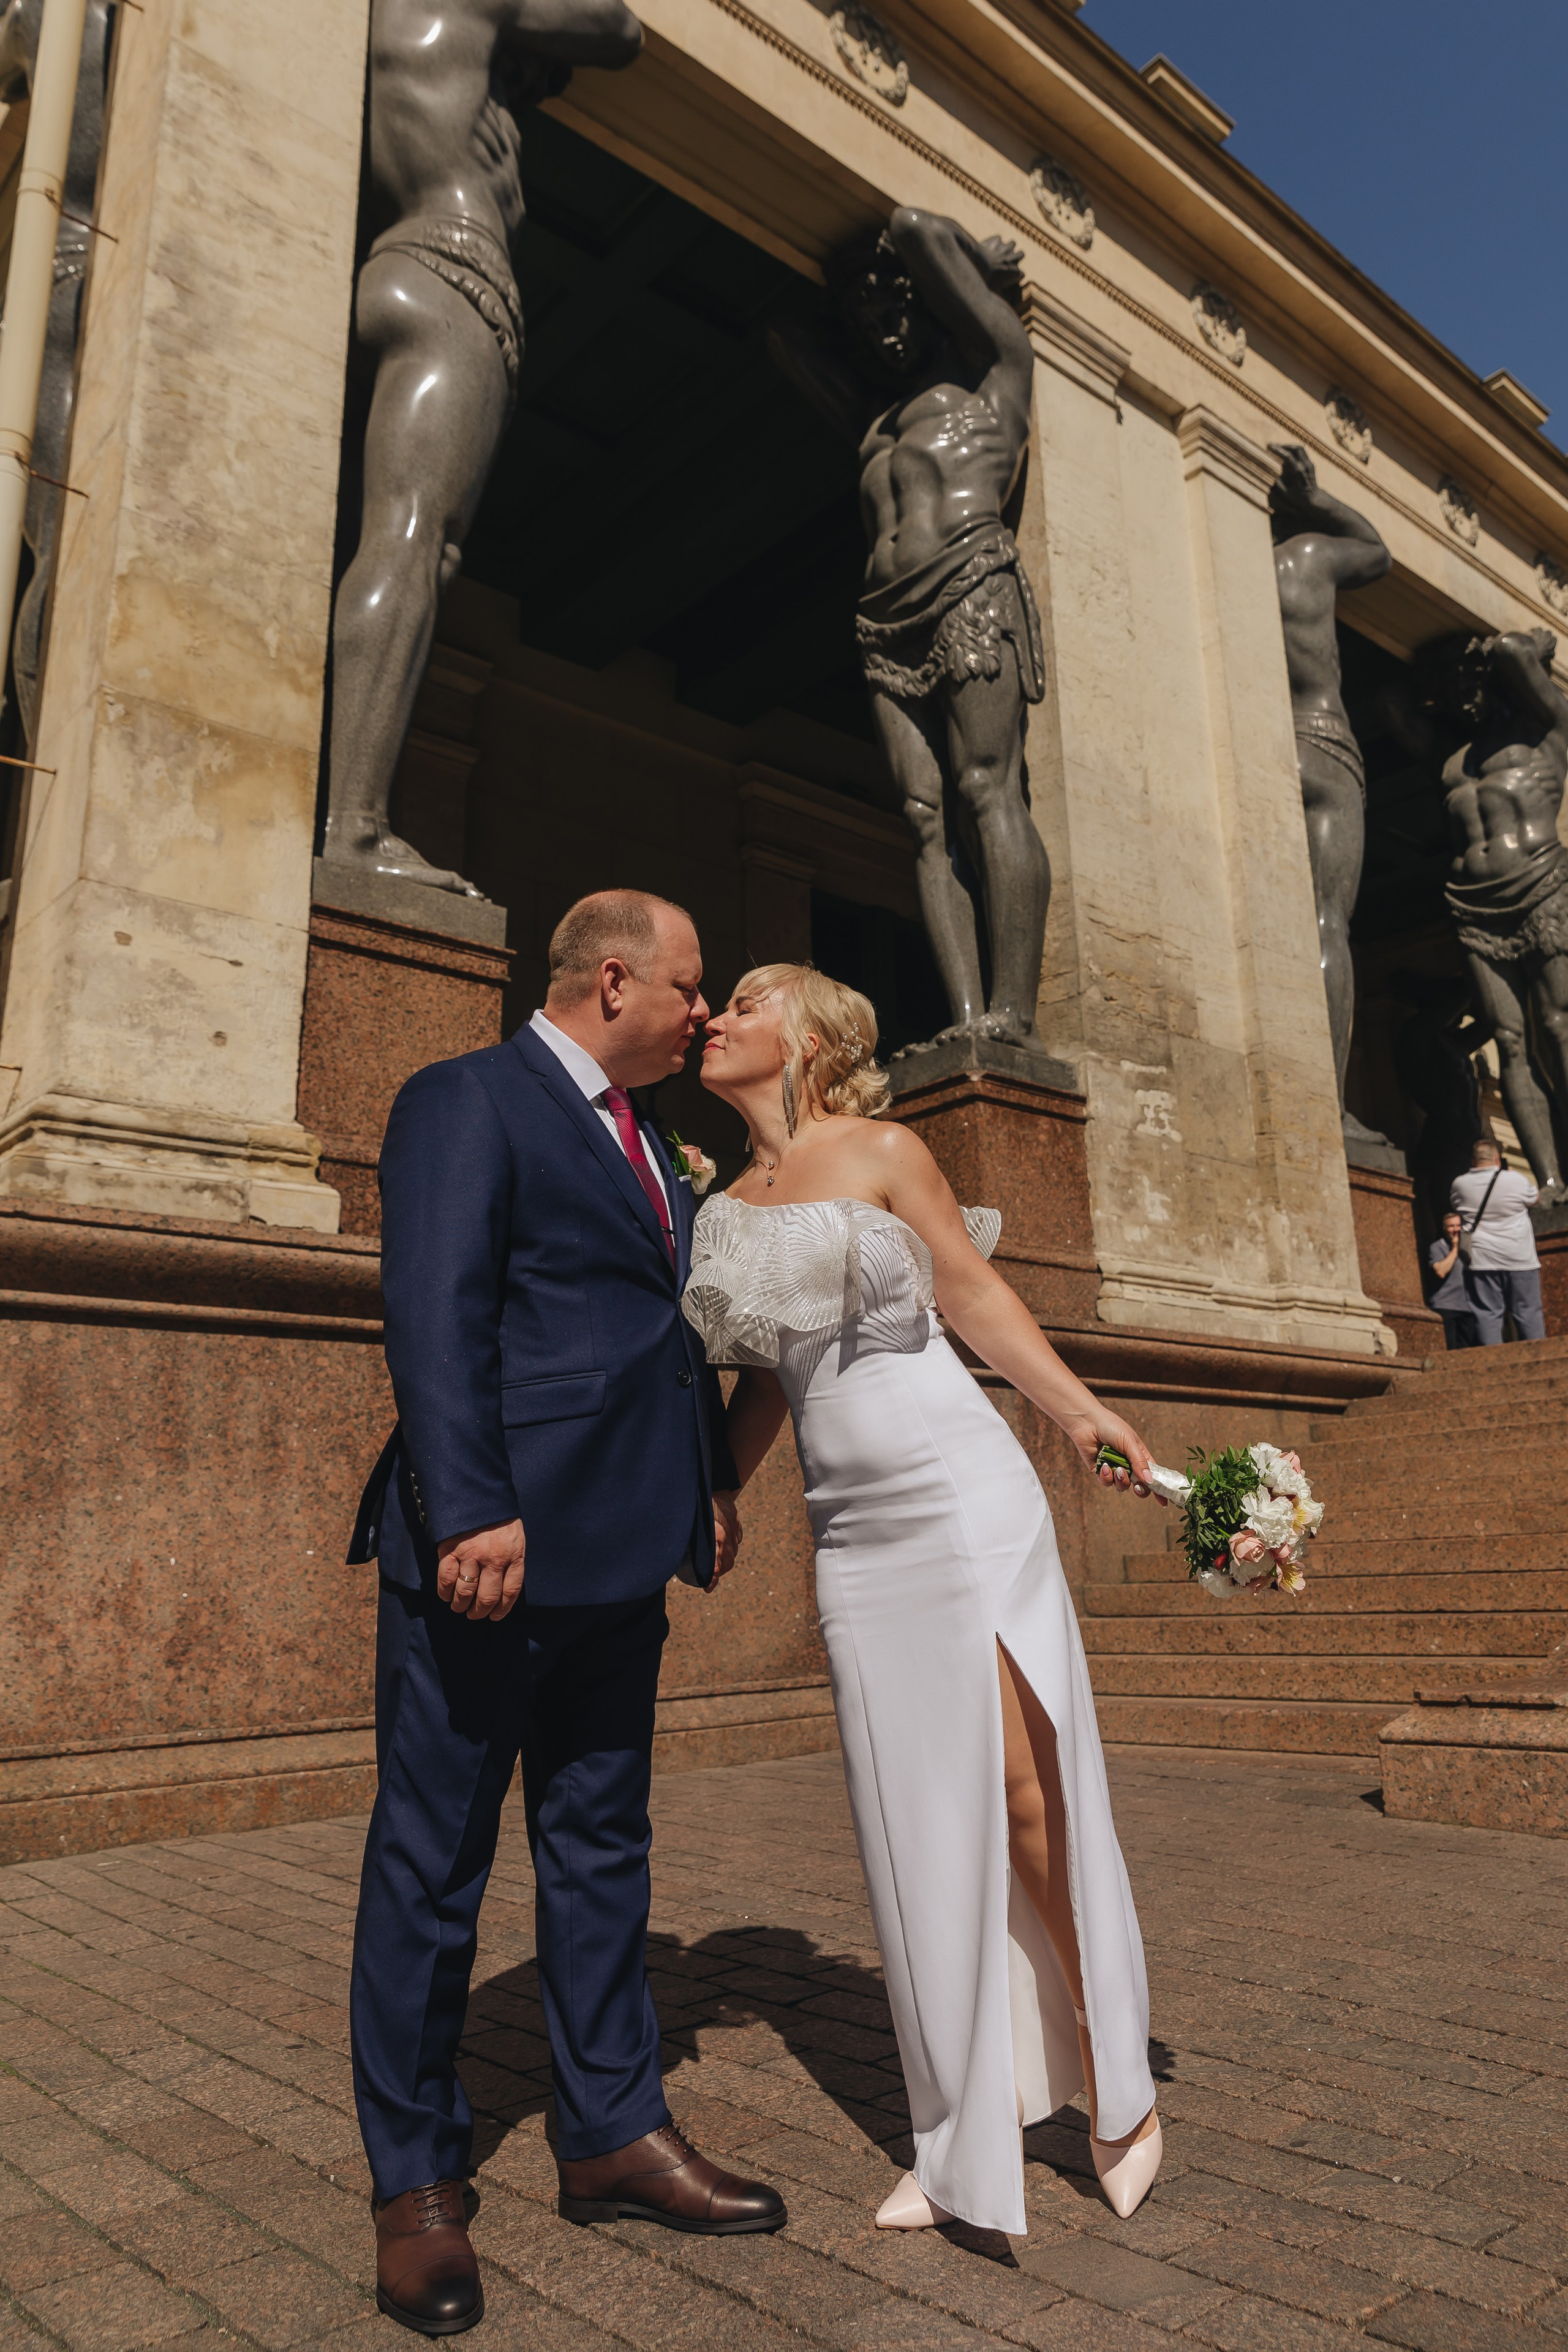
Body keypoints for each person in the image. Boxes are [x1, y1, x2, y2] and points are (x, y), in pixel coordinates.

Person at [348, 890, 784, 2337]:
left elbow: (650, 1335)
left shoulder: (652, 1142)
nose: (705, 1011)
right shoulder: (466, 1097)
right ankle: (415, 2178)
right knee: (434, 1862)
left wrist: (701, 1488)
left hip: (618, 1557)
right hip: (493, 1551)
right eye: (690, 984)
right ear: (613, 979)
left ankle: (609, 2129)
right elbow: (436, 1303)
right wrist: (469, 1501)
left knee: (601, 1847)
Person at [681, 963, 1163, 2237]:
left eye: (743, 997)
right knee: (907, 1824)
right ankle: (957, 2130)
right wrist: (719, 1495)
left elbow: (972, 1293)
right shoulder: (723, 1208)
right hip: (849, 1537)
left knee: (1019, 1793)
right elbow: (773, 1380)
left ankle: (1116, 2084)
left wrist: (1078, 1418)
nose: (715, 1017)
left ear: (811, 1033)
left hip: (958, 1494)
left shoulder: (885, 1147)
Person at [322, 0, 643, 899]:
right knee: (417, 539)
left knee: (393, 534)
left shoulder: (400, 33)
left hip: (392, 258)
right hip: (459, 269)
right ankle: (354, 828)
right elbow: (622, 31)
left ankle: (340, 811)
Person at [768, 209, 1051, 1054]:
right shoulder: (874, 418)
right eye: (862, 318)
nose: (879, 330)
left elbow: (915, 225)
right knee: (925, 817)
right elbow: (781, 331)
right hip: (885, 620)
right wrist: (854, 305)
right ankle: (968, 1018)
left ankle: (1017, 1014)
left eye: (891, 309)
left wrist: (970, 265)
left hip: (970, 579)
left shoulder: (999, 375)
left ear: (929, 301)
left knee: (986, 787)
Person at [1267, 443, 1390, 1139]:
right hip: (1321, 740)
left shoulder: (1232, 564)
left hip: (1251, 739)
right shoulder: (1305, 558)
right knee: (1326, 921)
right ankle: (1329, 1102)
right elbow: (1376, 553)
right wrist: (1316, 501)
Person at [1439, 630, 1568, 1197]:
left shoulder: (1547, 734)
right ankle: (1549, 1180)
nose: (1462, 697)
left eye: (1473, 685)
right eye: (1454, 689)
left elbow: (1517, 650)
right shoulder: (1451, 764)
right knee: (1510, 1040)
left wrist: (1520, 652)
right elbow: (1393, 707)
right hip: (1475, 907)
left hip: (1542, 885)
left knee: (1559, 1027)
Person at [1450, 1137, 1545, 1346]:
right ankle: (1539, 1357)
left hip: (1481, 1259)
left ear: (1473, 1161)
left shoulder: (1460, 1184)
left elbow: (1456, 1207)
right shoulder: (1516, 1180)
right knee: (1528, 1312)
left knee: (1487, 1315)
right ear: (1497, 1159)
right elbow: (1535, 1200)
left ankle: (1493, 1361)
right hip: (1520, 1258)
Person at [1426, 1212, 1478, 1350]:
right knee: (1451, 1351)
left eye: (1458, 1226)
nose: (1455, 1230)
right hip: (1446, 1306)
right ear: (1445, 1228)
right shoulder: (1437, 1247)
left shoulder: (1471, 1246)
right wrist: (1455, 1248)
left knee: (1468, 1352)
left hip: (1468, 1307)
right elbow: (1441, 1272)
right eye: (1451, 1226)